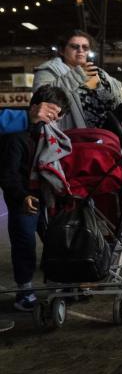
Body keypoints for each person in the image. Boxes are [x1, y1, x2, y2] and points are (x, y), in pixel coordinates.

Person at [0, 85, 70, 313]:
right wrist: (22, 197)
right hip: (23, 199)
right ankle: (25, 290)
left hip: (46, 197)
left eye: (56, 116)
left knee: (54, 241)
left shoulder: (54, 138)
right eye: (48, 114)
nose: (51, 121)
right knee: (24, 244)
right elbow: (8, 175)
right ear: (35, 109)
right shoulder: (16, 139)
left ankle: (56, 283)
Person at [32, 30, 122, 130]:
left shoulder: (99, 72)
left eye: (85, 47)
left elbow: (119, 98)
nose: (81, 50)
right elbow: (40, 99)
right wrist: (76, 76)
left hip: (109, 136)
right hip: (73, 137)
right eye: (74, 47)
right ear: (62, 51)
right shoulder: (48, 70)